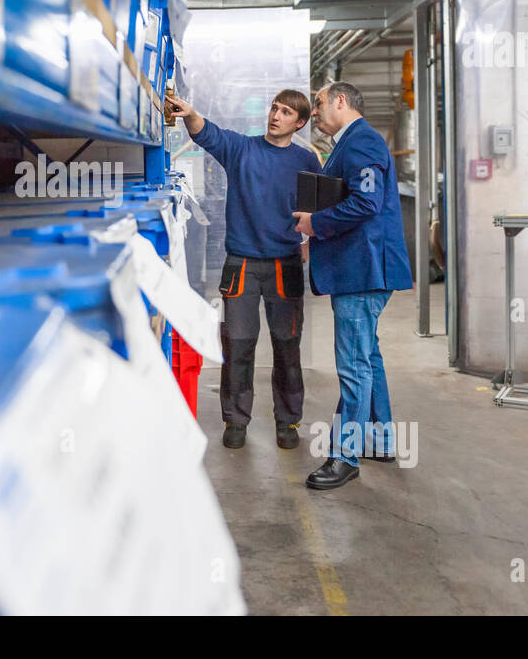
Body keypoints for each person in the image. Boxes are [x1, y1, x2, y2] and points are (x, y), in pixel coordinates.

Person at [167, 89, 322, 450]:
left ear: (299, 123)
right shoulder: (241, 149)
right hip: (242, 264)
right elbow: (207, 132)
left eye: (285, 112)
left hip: (285, 264)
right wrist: (189, 111)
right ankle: (235, 421)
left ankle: (288, 421)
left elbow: (317, 210)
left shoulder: (307, 162)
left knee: (287, 347)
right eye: (274, 108)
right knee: (238, 344)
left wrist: (306, 245)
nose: (276, 116)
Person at [292, 82, 413, 491]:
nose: (315, 111)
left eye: (320, 103)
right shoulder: (353, 143)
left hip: (361, 271)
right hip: (358, 268)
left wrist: (315, 224)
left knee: (354, 365)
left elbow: (366, 203)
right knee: (368, 356)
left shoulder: (361, 142)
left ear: (341, 101)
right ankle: (380, 440)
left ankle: (344, 456)